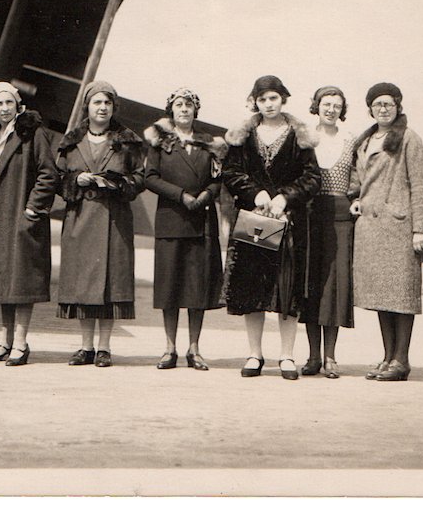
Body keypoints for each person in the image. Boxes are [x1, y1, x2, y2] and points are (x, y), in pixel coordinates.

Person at [222, 76, 322, 380]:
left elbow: (312, 178)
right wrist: (256, 193)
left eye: (274, 98)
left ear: (283, 100)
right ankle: (254, 354)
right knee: (252, 286)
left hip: (287, 221)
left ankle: (287, 356)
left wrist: (285, 197)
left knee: (286, 288)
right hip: (254, 219)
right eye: (263, 99)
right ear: (256, 101)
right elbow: (230, 171)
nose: (268, 104)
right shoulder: (243, 136)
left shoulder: (299, 137)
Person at [54, 80, 145, 368]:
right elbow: (56, 178)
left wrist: (119, 184)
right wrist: (74, 180)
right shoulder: (71, 141)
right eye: (97, 102)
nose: (102, 107)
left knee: (109, 285)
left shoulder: (128, 141)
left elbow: (141, 177)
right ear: (87, 106)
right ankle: (85, 347)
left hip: (113, 220)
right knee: (84, 283)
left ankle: (104, 347)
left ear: (114, 107)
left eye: (107, 102)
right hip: (80, 218)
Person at [350, 82, 423, 382]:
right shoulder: (365, 139)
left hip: (399, 228)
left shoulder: (410, 138)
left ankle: (402, 359)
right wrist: (355, 200)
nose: (382, 109)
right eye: (376, 104)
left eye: (388, 103)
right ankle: (388, 357)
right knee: (382, 297)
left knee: (401, 296)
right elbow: (356, 180)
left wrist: (421, 228)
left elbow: (422, 185)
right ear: (370, 108)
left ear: (398, 106)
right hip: (371, 229)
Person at [143, 87, 227, 371]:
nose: (184, 110)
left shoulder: (209, 143)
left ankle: (194, 348)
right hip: (171, 220)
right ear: (171, 110)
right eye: (179, 105)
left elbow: (218, 178)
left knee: (197, 289)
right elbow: (150, 178)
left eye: (189, 105)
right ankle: (169, 348)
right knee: (170, 288)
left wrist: (207, 194)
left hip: (201, 222)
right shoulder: (160, 144)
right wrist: (181, 195)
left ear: (196, 111)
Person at [0, 81, 59, 367]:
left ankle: (21, 343)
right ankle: (5, 340)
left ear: (17, 104)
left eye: (8, 103)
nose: (4, 108)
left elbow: (48, 173)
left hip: (20, 215)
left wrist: (32, 209)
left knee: (23, 281)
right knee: (4, 279)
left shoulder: (31, 133)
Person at [299, 86, 358, 378]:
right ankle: (312, 357)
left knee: (335, 286)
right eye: (326, 103)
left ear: (342, 109)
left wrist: (357, 199)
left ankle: (331, 357)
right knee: (312, 284)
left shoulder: (351, 140)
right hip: (310, 215)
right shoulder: (304, 138)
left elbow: (360, 178)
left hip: (341, 217)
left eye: (337, 105)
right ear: (317, 106)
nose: (331, 109)